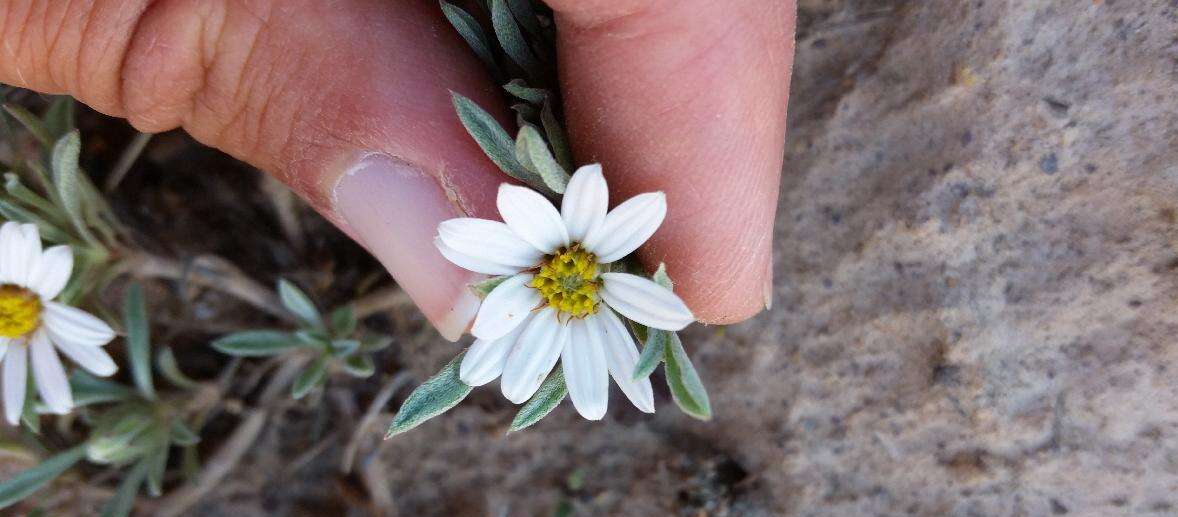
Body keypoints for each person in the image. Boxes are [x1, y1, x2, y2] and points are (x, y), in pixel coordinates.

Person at [0, 0, 794, 340]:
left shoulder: (572, 276)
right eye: (577, 281)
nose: (574, 282)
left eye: (572, 286)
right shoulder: (568, 263)